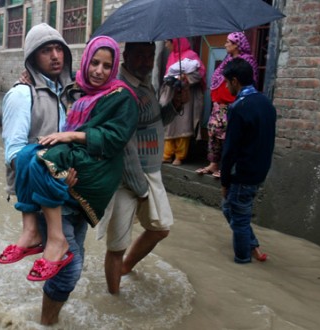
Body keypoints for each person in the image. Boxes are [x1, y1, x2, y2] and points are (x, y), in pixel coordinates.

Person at [7, 36, 138, 284]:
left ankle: (55, 240)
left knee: (69, 269)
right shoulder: (73, 88)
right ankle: (31, 232)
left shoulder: (117, 95)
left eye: (107, 66)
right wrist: (27, 79)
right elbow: (14, 151)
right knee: (26, 155)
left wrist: (70, 135)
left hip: (86, 169)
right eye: (94, 63)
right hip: (58, 183)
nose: (99, 71)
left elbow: (115, 138)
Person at [0, 23, 82, 325]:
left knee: (71, 258)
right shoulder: (22, 95)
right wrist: (53, 172)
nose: (56, 55)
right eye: (46, 50)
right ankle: (46, 323)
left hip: (73, 190)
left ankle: (50, 316)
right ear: (32, 58)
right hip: (44, 194)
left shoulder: (69, 93)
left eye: (59, 48)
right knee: (70, 267)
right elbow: (14, 153)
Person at [97, 42, 189, 295]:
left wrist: (176, 105)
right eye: (140, 56)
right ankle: (114, 299)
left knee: (160, 229)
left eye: (150, 56)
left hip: (150, 172)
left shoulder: (146, 83)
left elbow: (156, 121)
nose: (146, 61)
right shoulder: (121, 90)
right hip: (125, 177)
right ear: (126, 56)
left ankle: (126, 267)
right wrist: (139, 186)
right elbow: (123, 145)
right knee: (116, 245)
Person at [220, 58, 276, 263]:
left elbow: (230, 150)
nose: (226, 86)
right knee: (229, 208)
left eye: (227, 82)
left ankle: (243, 259)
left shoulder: (239, 107)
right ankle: (252, 246)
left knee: (240, 218)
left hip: (243, 173)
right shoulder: (266, 103)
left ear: (235, 81)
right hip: (259, 170)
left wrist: (225, 181)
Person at [196, 32, 259, 178]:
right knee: (213, 134)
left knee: (229, 136)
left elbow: (249, 82)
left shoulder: (247, 62)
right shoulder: (227, 60)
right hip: (219, 106)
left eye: (228, 42)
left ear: (237, 44)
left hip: (234, 106)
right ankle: (213, 164)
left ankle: (226, 167)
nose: (225, 45)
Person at [160, 38, 206, 166]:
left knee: (182, 124)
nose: (165, 45)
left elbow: (199, 74)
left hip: (185, 94)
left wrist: (185, 77)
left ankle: (180, 156)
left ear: (174, 42)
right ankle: (167, 154)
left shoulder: (191, 56)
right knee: (169, 124)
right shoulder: (171, 57)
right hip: (171, 93)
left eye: (167, 42)